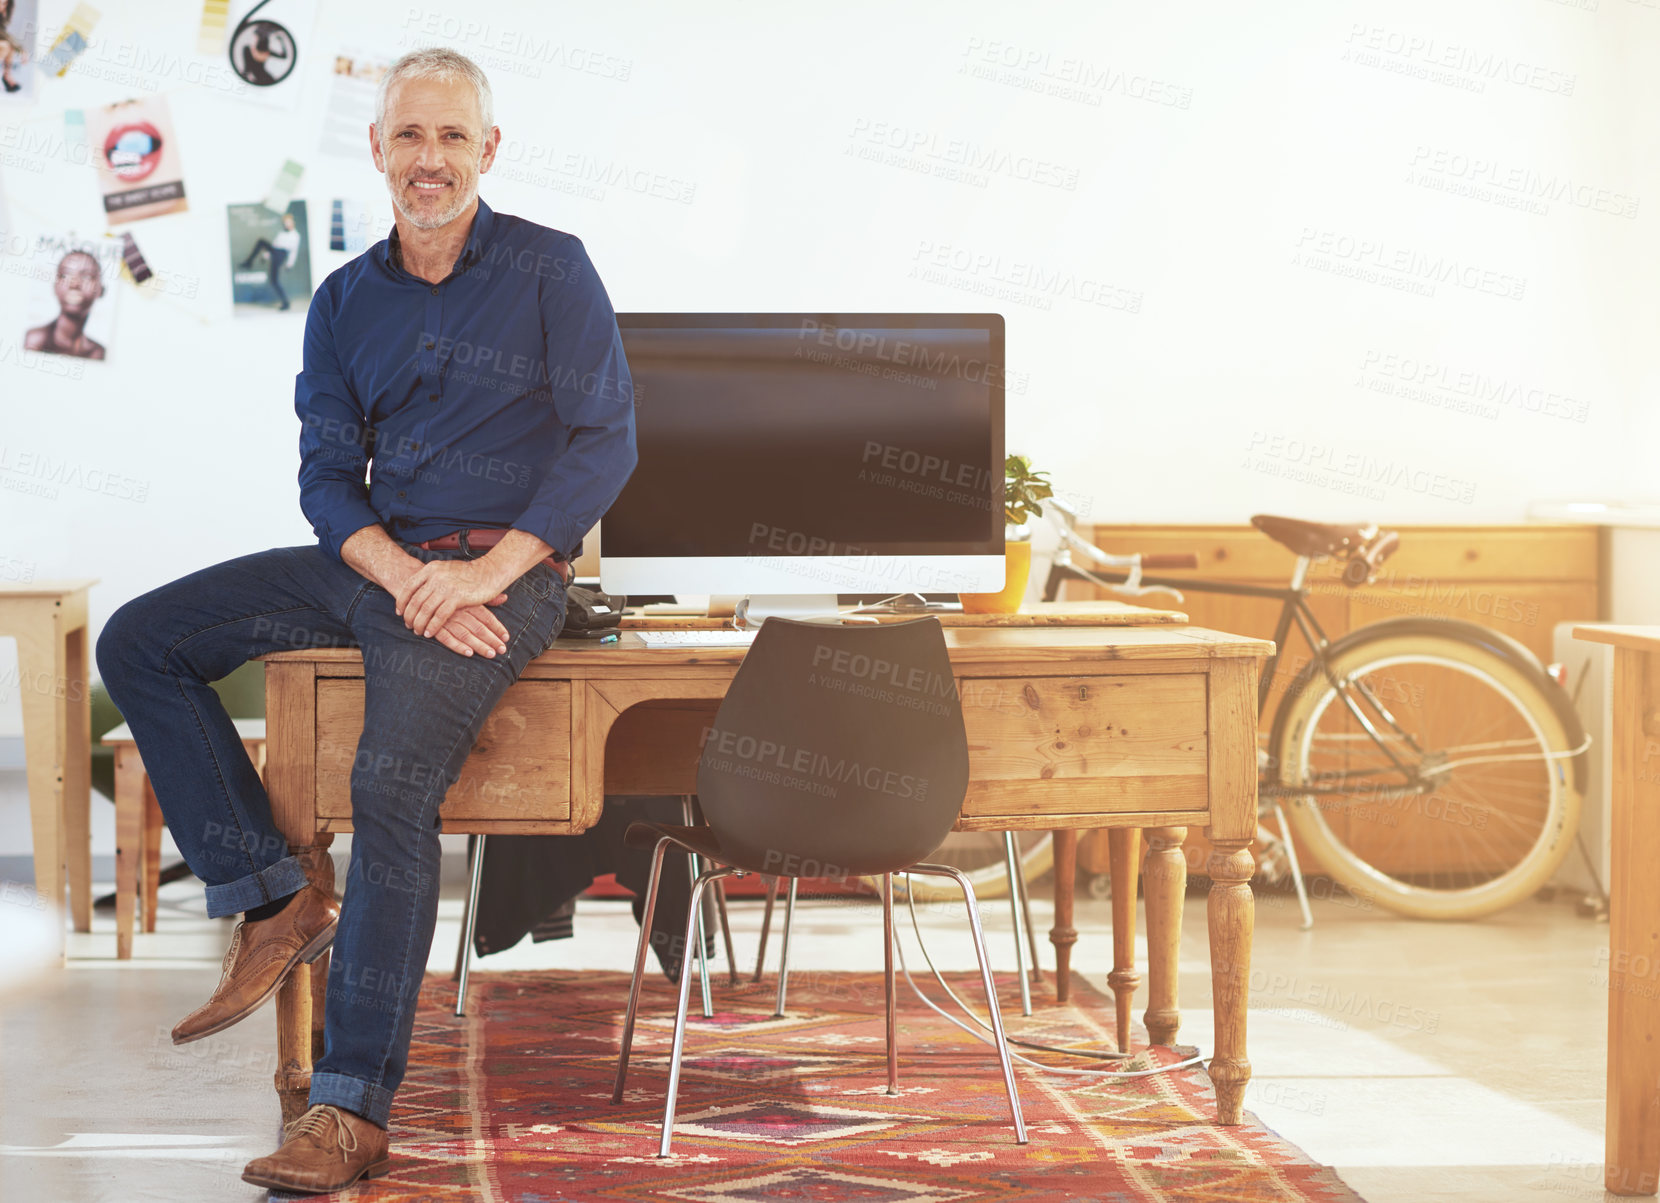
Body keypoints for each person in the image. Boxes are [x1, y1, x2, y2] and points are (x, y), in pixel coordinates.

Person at [95, 47, 636, 1195]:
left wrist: (490, 573)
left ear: (486, 151)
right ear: (379, 147)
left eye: (450, 138)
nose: (427, 159)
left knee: (392, 791)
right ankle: (274, 892)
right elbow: (328, 478)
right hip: (379, 566)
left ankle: (348, 1113)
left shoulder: (552, 271)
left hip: (508, 575)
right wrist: (400, 573)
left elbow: (605, 444)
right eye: (407, 136)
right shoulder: (344, 300)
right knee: (140, 639)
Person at [24, 249, 107, 359]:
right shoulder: (33, 340)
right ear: (55, 286)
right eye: (65, 275)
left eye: (87, 276)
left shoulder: (97, 353)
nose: (74, 284)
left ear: (101, 289)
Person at [240, 210, 302, 310]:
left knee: (261, 242)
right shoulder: (281, 233)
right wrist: (265, 256)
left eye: (288, 222)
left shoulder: (295, 236)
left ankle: (248, 262)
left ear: (292, 222)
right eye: (285, 222)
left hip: (281, 254)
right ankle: (286, 302)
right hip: (275, 253)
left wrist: (290, 264)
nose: (287, 224)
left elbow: (294, 251)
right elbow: (274, 246)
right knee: (274, 280)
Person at [0, 0, 27, 93]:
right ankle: (7, 73)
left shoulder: (5, 15)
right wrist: (20, 49)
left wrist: (20, 49)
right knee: (6, 46)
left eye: (5, 3)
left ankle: (7, 73)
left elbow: (3, 34)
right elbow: (3, 34)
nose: (3, 5)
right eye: (2, 3)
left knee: (8, 46)